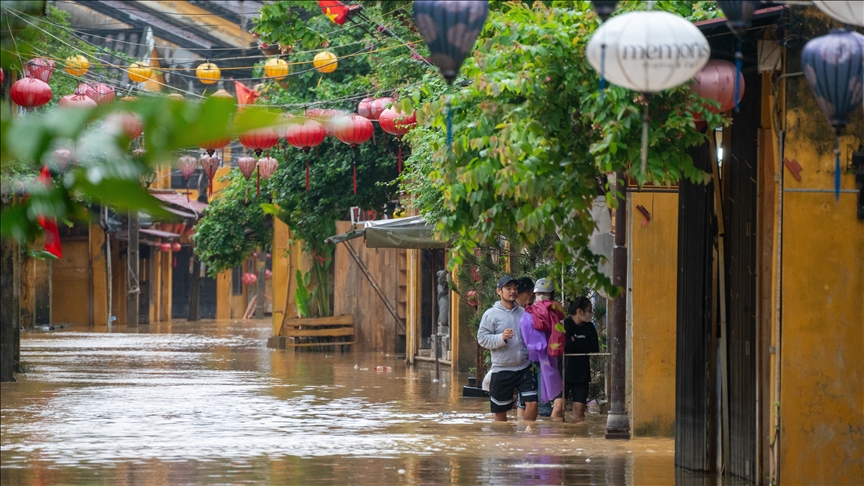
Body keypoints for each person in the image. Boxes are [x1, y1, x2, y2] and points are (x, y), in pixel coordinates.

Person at [477, 275, 538, 422]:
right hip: (502, 369)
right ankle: (503, 442)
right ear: (499, 291)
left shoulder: (524, 313)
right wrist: (501, 338)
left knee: (533, 403)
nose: (512, 291)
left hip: (524, 368)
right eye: (508, 288)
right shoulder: (491, 314)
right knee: (500, 415)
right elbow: (482, 339)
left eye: (515, 288)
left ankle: (528, 438)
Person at [520, 278, 566, 420]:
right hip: (539, 361)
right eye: (539, 293)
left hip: (544, 361)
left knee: (534, 404)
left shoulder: (552, 314)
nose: (541, 297)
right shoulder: (532, 314)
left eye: (543, 293)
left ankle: (543, 434)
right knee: (530, 403)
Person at [561, 296, 599, 421]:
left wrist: (575, 342)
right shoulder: (566, 324)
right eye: (588, 310)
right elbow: (566, 345)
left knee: (579, 409)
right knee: (559, 407)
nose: (590, 313)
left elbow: (594, 347)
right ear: (579, 311)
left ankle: (579, 435)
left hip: (582, 373)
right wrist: (581, 343)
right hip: (564, 372)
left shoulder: (589, 327)